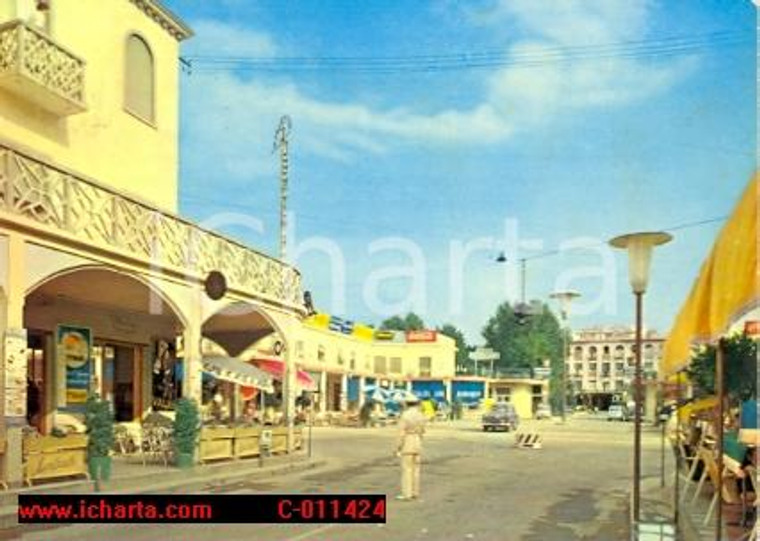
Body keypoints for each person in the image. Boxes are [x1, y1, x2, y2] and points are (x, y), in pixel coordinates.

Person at [396, 395, 426, 501]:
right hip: (417, 441)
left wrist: (398, 447)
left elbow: (401, 433)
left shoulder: (405, 415)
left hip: (408, 442)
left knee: (407, 469)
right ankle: (415, 492)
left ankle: (406, 494)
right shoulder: (420, 415)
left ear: (406, 403)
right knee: (416, 470)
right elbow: (423, 430)